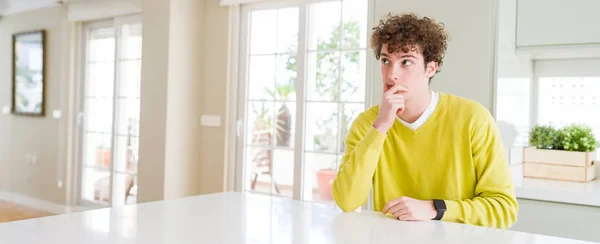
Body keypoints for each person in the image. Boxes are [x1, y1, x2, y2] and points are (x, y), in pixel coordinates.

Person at [331, 13, 518, 229]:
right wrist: (380, 127)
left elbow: (504, 209)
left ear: (430, 68)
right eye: (385, 61)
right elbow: (347, 201)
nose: (392, 75)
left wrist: (435, 209)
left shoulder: (473, 119)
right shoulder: (367, 124)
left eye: (406, 62)